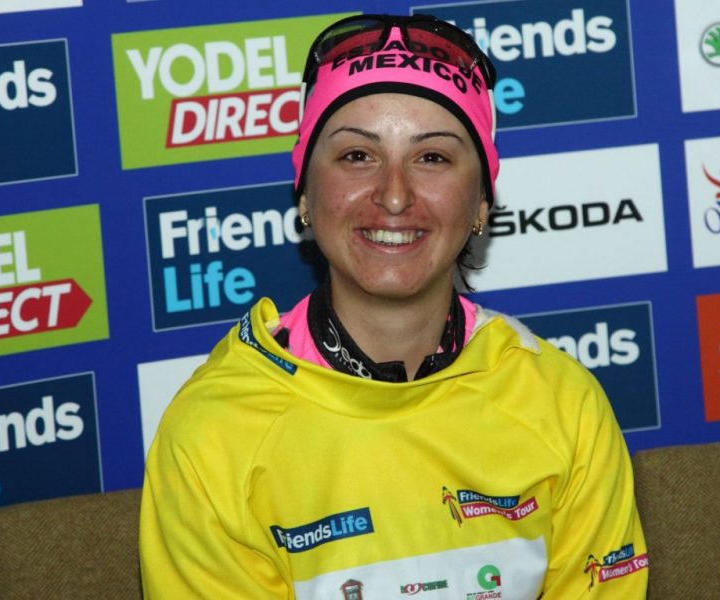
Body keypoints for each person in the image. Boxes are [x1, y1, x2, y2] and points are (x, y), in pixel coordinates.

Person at [140, 14, 648, 599]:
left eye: (432, 158)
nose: (395, 195)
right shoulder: (212, 433)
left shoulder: (563, 404)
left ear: (482, 203)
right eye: (357, 155)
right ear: (304, 192)